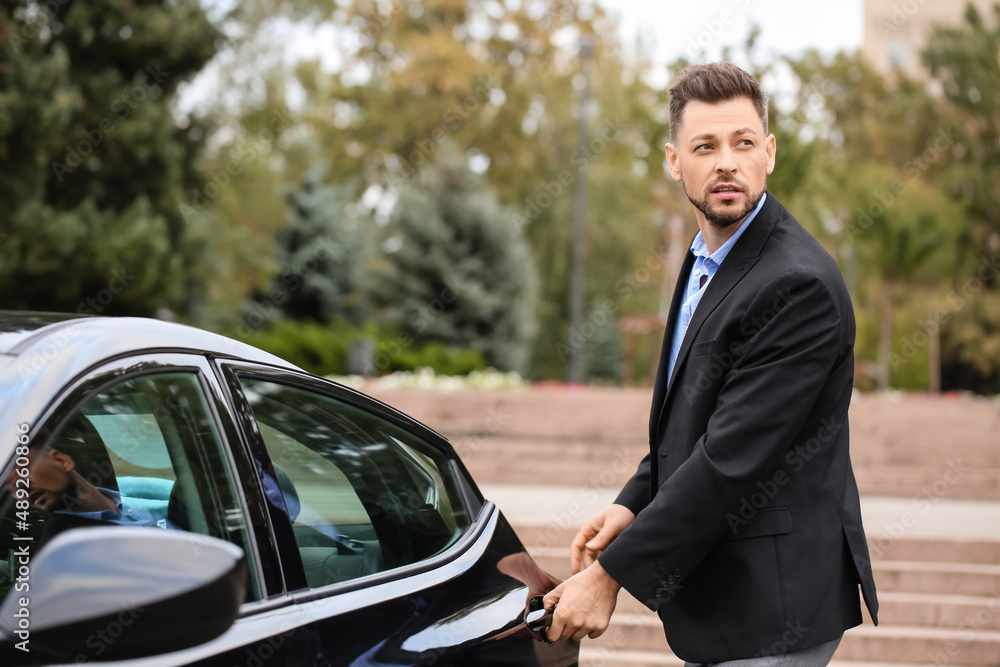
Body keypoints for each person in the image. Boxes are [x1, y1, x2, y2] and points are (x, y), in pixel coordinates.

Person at [542, 62, 878, 666]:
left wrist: (609, 576)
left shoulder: (796, 283)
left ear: (768, 153)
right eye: (705, 146)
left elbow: (731, 457)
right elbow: (692, 418)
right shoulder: (706, 260)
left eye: (743, 143)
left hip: (772, 605)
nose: (727, 161)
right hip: (731, 598)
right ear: (675, 162)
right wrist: (631, 503)